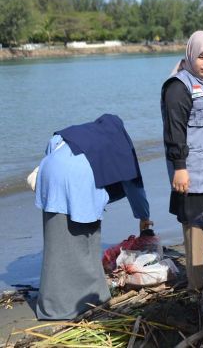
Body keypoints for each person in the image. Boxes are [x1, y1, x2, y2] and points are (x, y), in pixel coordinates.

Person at [33, 114, 152, 320]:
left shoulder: (76, 133)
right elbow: (134, 184)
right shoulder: (118, 144)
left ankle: (51, 302)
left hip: (49, 173)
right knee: (84, 243)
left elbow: (51, 147)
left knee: (57, 245)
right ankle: (83, 301)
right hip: (78, 180)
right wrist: (143, 217)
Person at [161, 30, 203, 291]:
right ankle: (199, 289)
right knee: (197, 231)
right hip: (193, 176)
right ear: (190, 57)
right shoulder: (178, 86)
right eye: (201, 57)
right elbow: (174, 130)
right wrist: (179, 168)